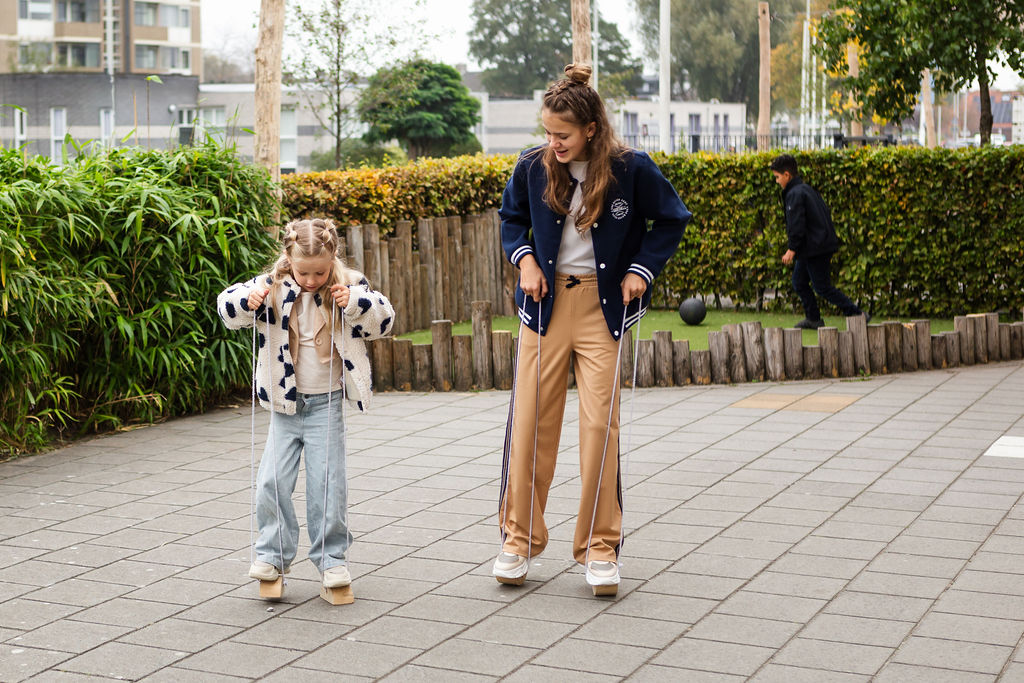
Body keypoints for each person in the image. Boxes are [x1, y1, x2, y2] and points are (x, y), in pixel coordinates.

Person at [495, 64, 691, 596]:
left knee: (600, 430)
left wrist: (640, 270)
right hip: (544, 308)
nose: (553, 143)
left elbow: (672, 219)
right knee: (530, 425)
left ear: (590, 129)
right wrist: (525, 260)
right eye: (547, 132)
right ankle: (518, 540)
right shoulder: (532, 166)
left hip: (603, 313)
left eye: (562, 134)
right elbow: (511, 219)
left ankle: (600, 549)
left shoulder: (631, 169)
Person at [217, 217, 394, 591]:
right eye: (303, 272)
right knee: (271, 482)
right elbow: (227, 309)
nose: (312, 280)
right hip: (285, 405)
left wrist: (356, 303)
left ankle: (332, 560)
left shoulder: (349, 285)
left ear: (332, 260)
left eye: (319, 272)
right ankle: (271, 556)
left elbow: (384, 321)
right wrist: (247, 301)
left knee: (327, 486)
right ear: (288, 260)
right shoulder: (271, 286)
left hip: (326, 405)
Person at [770, 153, 867, 329]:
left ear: (787, 175)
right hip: (814, 246)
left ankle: (856, 314)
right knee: (799, 282)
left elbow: (797, 224)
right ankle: (813, 318)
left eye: (777, 177)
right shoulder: (806, 189)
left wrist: (792, 248)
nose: (777, 181)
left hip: (815, 247)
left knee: (822, 287)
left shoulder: (794, 194)